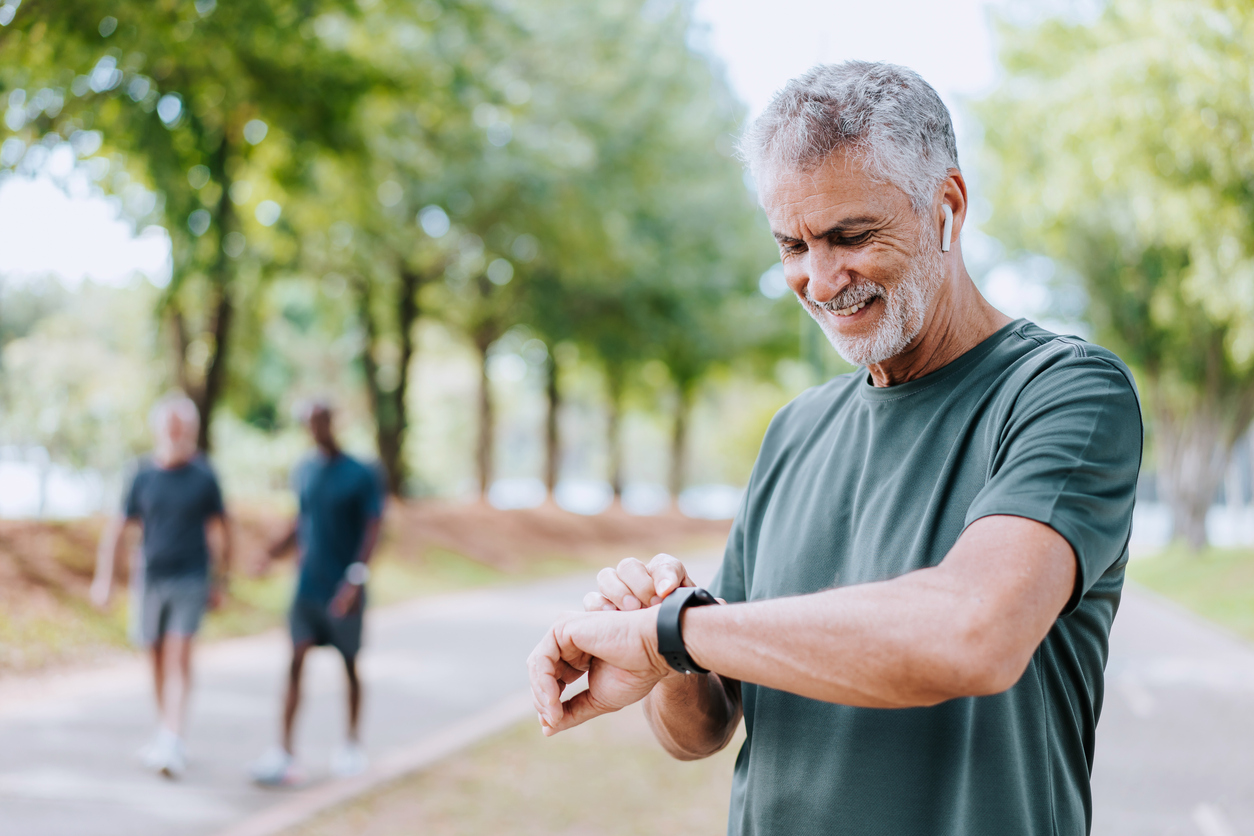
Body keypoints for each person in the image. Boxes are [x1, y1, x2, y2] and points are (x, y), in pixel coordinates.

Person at [528, 62, 1142, 835]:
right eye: (793, 244)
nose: (820, 281)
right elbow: (705, 730)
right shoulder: (794, 431)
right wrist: (665, 652)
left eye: (850, 236)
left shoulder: (1065, 392)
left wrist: (674, 630)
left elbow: (971, 635)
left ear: (947, 206)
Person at [92, 393, 232, 779]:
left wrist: (222, 580)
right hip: (150, 576)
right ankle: (165, 732)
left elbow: (221, 529)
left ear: (191, 429)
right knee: (153, 656)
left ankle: (173, 737)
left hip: (191, 576)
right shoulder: (142, 474)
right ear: (159, 429)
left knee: (179, 654)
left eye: (181, 425)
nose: (175, 432)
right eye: (169, 425)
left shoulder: (204, 475)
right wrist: (105, 579)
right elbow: (118, 528)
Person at [250, 400, 383, 786]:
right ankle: (284, 751)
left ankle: (351, 746)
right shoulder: (305, 470)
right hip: (307, 585)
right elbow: (302, 520)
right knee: (294, 659)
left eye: (319, 421)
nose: (314, 429)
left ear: (331, 422)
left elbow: (374, 525)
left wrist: (355, 579)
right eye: (307, 423)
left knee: (349, 664)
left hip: (345, 586)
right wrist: (270, 555)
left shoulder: (360, 473)